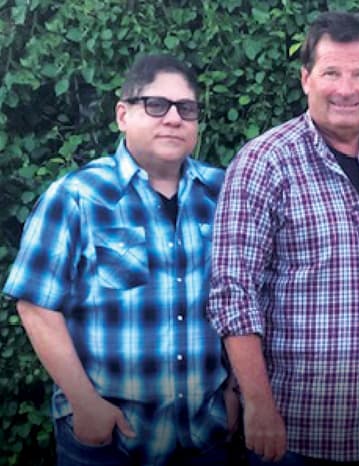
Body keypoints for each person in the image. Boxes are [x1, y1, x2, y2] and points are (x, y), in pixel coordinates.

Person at [206, 11, 359, 466]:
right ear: (306, 78)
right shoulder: (264, 162)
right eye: (331, 72)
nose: (346, 89)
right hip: (293, 436)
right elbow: (233, 292)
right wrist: (258, 404)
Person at [3, 54, 238, 465]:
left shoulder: (224, 194)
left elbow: (242, 297)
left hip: (207, 435)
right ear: (122, 115)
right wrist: (84, 402)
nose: (174, 118)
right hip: (109, 440)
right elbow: (36, 305)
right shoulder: (77, 196)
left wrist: (235, 391)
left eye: (186, 108)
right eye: (156, 105)